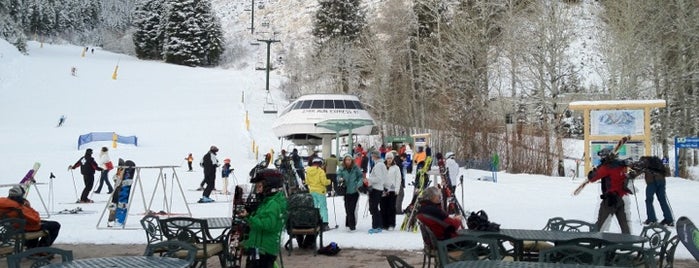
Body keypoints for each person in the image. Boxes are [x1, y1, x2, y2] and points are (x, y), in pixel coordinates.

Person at [239, 169, 287, 268]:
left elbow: (267, 225)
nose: (258, 190)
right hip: (257, 246)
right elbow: (258, 220)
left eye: (260, 186)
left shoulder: (274, 204)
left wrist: (249, 217)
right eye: (257, 187)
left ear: (270, 186)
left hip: (265, 249)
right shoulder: (266, 202)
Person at [587, 148, 632, 234]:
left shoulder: (607, 167)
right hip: (620, 198)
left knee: (600, 222)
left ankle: (593, 241)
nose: (601, 158)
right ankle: (627, 242)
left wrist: (595, 170)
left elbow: (592, 178)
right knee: (623, 224)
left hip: (610, 199)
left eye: (602, 157)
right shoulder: (621, 165)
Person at [631, 156, 674, 226]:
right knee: (662, 200)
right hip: (662, 181)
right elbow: (664, 171)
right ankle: (669, 219)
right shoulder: (656, 161)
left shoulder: (644, 162)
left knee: (649, 200)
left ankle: (651, 219)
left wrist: (631, 176)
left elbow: (638, 171)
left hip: (652, 182)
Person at [338, 154, 363, 231]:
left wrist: (358, 184)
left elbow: (360, 177)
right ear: (344, 161)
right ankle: (348, 223)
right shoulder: (342, 169)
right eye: (346, 160)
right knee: (347, 208)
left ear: (352, 160)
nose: (348, 161)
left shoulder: (355, 168)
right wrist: (340, 179)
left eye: (349, 160)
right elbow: (338, 176)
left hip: (354, 191)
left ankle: (352, 226)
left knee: (352, 209)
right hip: (346, 191)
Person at [306, 158, 331, 231]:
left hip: (312, 191)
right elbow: (324, 182)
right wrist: (329, 181)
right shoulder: (320, 171)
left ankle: (315, 222)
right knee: (323, 207)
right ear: (320, 163)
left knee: (314, 207)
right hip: (320, 191)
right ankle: (324, 224)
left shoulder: (308, 171)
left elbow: (307, 182)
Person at [366, 151, 387, 234]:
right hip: (378, 188)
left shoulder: (378, 165)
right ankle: (379, 225)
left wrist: (369, 180)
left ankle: (376, 226)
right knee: (375, 208)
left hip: (376, 189)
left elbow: (379, 178)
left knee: (373, 208)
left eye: (372, 156)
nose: (371, 157)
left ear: (374, 156)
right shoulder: (381, 164)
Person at [381, 152, 400, 230]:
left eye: (390, 158)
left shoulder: (396, 168)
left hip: (392, 190)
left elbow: (398, 179)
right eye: (388, 158)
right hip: (383, 189)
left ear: (393, 159)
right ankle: (384, 224)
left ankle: (391, 224)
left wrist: (397, 189)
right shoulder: (382, 167)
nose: (389, 160)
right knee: (383, 207)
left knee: (391, 207)